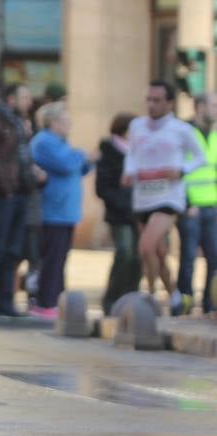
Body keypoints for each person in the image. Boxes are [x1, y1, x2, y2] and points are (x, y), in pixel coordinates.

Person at [123, 81, 208, 313]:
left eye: (157, 100)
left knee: (146, 247)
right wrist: (129, 172)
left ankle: (149, 299)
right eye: (149, 99)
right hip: (142, 196)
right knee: (158, 253)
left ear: (170, 103)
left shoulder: (182, 129)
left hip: (169, 197)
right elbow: (131, 154)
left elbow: (201, 157)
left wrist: (181, 170)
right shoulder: (137, 126)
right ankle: (175, 296)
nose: (151, 105)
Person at [0, 82, 42, 317]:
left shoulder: (21, 124)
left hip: (22, 192)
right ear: (11, 99)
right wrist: (7, 188)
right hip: (6, 194)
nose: (29, 102)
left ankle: (5, 300)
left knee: (13, 250)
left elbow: (23, 157)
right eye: (24, 97)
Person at [28, 101, 92, 319]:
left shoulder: (62, 142)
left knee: (61, 258)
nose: (70, 123)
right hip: (52, 211)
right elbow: (66, 164)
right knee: (52, 259)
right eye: (66, 119)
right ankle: (45, 302)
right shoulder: (44, 142)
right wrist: (81, 156)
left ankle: (56, 299)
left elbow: (78, 167)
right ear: (53, 122)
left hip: (66, 211)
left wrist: (83, 160)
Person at [95, 112, 140, 313]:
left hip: (139, 212)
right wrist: (122, 199)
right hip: (119, 213)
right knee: (124, 252)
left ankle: (131, 297)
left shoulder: (138, 151)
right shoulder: (109, 151)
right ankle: (111, 298)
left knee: (138, 256)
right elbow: (102, 187)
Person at [177, 92, 216, 315]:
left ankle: (210, 304)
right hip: (190, 207)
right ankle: (185, 302)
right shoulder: (185, 133)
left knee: (214, 257)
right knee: (189, 257)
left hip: (212, 205)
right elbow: (178, 169)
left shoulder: (215, 134)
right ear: (200, 107)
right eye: (214, 105)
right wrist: (186, 202)